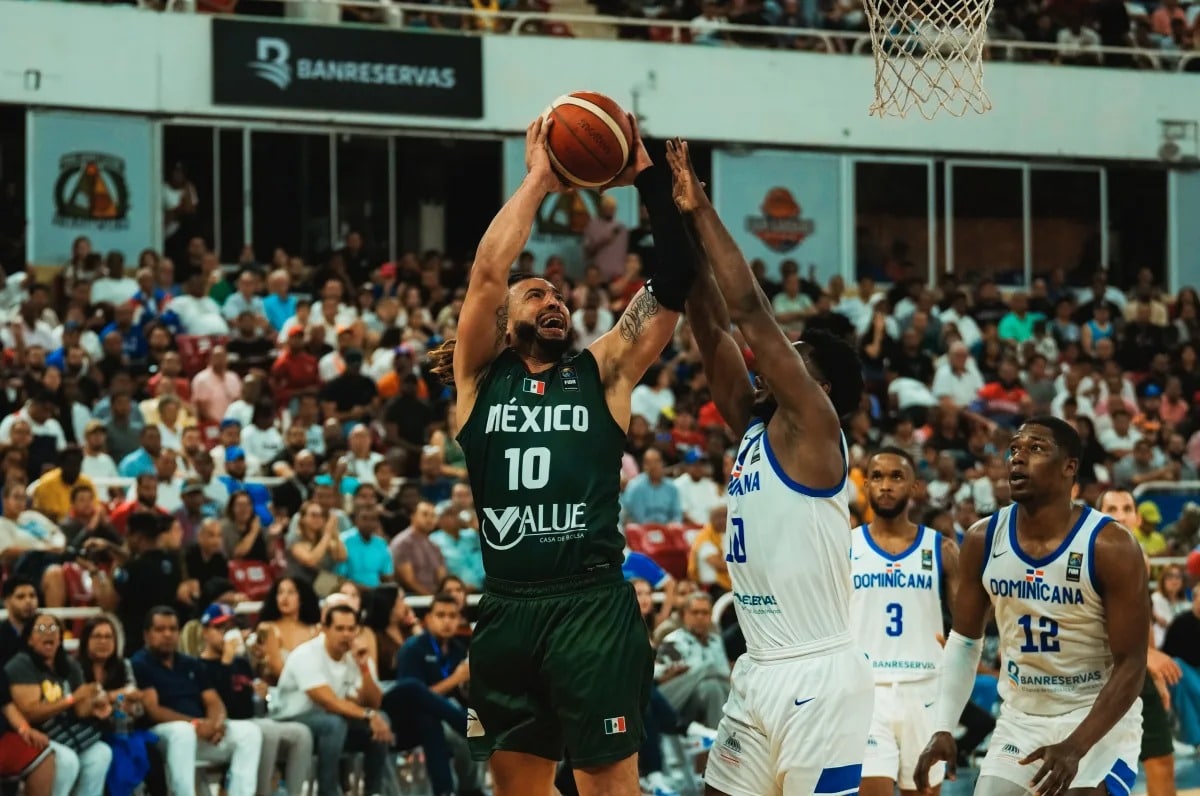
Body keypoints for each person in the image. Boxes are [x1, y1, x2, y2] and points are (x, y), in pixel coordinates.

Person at [425, 117, 694, 795]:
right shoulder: (479, 381)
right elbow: (489, 271)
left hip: (590, 605)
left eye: (559, 293)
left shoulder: (601, 373)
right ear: (504, 323)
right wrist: (541, 179)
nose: (555, 298)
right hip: (508, 607)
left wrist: (647, 181)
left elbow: (675, 279)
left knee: (609, 788)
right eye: (536, 293)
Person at [664, 138, 872, 795]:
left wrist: (701, 209)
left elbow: (750, 313)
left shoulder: (816, 427)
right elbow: (708, 321)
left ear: (824, 388)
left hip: (819, 676)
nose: (777, 357)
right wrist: (661, 212)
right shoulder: (755, 428)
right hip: (757, 669)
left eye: (795, 352)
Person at [914, 417, 1149, 796]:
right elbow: (964, 642)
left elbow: (1132, 664)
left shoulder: (1110, 546)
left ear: (1069, 467)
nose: (1018, 458)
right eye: (1015, 449)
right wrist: (943, 725)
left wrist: (1076, 746)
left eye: (1036, 449)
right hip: (1021, 719)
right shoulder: (982, 539)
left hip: (1095, 716)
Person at [850, 447, 959, 796]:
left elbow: (970, 625)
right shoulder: (845, 547)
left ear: (914, 487)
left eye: (897, 477)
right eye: (877, 477)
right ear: (866, 486)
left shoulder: (941, 549)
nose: (886, 485)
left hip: (925, 689)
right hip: (866, 691)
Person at [1096, 489, 1180, 796]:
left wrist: (1152, 666)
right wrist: (1145, 654)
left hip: (1135, 667)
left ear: (1137, 517)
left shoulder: (1140, 559)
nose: (1119, 515)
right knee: (1094, 774)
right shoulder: (1090, 556)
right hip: (1097, 672)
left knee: (1160, 759)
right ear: (1098, 515)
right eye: (1111, 508)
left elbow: (1140, 619)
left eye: (1126, 508)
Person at [269, 603, 394, 796]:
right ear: (325, 629)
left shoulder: (356, 655)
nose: (346, 634)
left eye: (351, 629)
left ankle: (374, 792)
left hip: (332, 722)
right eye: (340, 629)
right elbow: (328, 701)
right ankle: (328, 792)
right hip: (292, 719)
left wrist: (364, 668)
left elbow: (374, 703)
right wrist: (368, 714)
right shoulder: (307, 655)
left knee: (382, 718)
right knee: (334, 724)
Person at [196, 603, 313, 796]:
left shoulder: (241, 662)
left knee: (301, 734)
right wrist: (225, 663)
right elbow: (220, 704)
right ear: (205, 632)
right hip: (225, 724)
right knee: (267, 732)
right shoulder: (200, 665)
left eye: (230, 627)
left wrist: (261, 695)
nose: (226, 634)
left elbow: (250, 706)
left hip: (251, 719)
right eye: (220, 628)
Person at [5, 611, 113, 796]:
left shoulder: (69, 664)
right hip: (39, 734)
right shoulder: (20, 665)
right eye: (41, 628)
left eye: (53, 628)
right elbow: (30, 713)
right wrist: (71, 699)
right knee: (67, 760)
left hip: (71, 732)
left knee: (101, 752)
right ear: (30, 639)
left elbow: (80, 710)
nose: (49, 632)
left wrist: (98, 707)